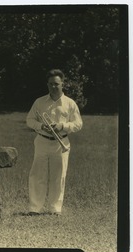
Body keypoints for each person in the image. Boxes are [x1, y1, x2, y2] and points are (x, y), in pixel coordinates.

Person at [26, 69, 83, 216]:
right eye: (51, 84)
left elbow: (78, 124)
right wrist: (41, 126)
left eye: (56, 84)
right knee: (38, 174)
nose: (53, 87)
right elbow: (29, 120)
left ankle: (55, 209)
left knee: (59, 176)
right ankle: (34, 208)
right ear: (47, 84)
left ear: (62, 84)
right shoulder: (39, 102)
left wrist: (62, 126)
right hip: (42, 141)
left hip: (61, 142)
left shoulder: (70, 103)